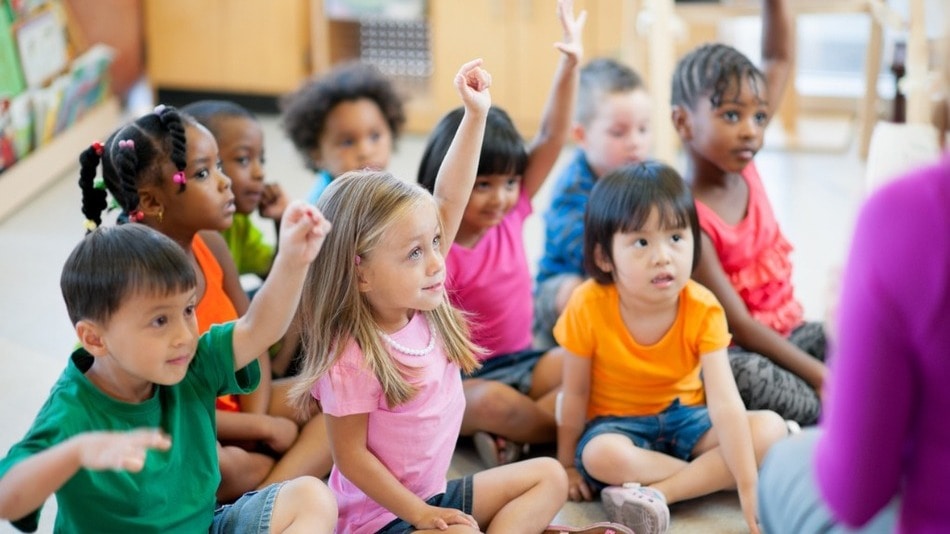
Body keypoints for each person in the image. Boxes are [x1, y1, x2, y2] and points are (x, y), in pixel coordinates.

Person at [287, 58, 628, 534]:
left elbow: (448, 198)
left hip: (434, 497)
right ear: (360, 274)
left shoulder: (419, 300)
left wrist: (475, 116)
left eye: (434, 244)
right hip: (381, 520)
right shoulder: (351, 355)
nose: (436, 262)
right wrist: (421, 515)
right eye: (414, 253)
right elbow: (351, 458)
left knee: (548, 474)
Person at [0, 208, 337, 532]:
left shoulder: (190, 363)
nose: (184, 335)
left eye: (188, 309)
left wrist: (292, 260)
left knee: (311, 497)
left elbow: (257, 328)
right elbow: (7, 498)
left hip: (205, 525)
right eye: (160, 320)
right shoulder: (71, 411)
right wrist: (74, 454)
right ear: (95, 339)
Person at [72, 105, 332, 502]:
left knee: (338, 402)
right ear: (152, 201)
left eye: (220, 168)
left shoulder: (208, 242)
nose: (225, 183)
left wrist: (257, 415)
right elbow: (170, 406)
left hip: (240, 405)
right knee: (219, 464)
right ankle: (266, 493)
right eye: (204, 173)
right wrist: (259, 431)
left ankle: (263, 496)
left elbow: (253, 332)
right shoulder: (136, 279)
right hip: (183, 423)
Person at [555, 162, 788, 534]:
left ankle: (661, 492)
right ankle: (708, 479)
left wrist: (748, 489)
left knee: (770, 429)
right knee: (599, 455)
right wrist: (566, 464)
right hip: (618, 426)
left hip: (688, 421)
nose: (663, 256)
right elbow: (576, 391)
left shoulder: (704, 306)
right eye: (641, 242)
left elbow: (725, 403)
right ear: (604, 258)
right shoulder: (587, 304)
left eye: (676, 238)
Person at [416, 0, 585, 469]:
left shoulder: (512, 213)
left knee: (583, 362)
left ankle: (511, 434)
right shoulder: (436, 235)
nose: (500, 198)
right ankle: (549, 427)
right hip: (463, 379)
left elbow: (551, 134)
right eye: (482, 184)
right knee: (492, 404)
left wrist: (570, 65)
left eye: (509, 183)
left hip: (523, 358)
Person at [757, 155, 950, 533]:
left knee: (782, 457)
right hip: (774, 347)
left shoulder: (910, 212)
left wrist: (845, 345)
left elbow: (854, 496)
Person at [669, 0, 826, 426]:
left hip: (789, 335)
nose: (752, 130)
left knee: (850, 335)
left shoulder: (741, 155)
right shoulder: (687, 219)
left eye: (759, 116)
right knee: (747, 378)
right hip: (738, 353)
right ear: (683, 123)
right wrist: (822, 377)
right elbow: (737, 323)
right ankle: (839, 408)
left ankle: (843, 402)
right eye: (732, 115)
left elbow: (777, 58)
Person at [534, 57, 652, 350]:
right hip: (575, 282)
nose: (635, 142)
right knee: (574, 291)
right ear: (581, 136)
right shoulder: (571, 189)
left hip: (626, 277)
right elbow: (589, 256)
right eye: (618, 132)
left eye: (643, 129)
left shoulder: (647, 176)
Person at [181, 100, 288, 282]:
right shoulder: (178, 234)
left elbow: (273, 277)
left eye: (261, 160)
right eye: (243, 160)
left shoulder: (238, 224)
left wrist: (282, 221)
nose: (260, 173)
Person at [280, 60, 405, 205]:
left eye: (375, 136)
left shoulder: (388, 192)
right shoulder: (321, 210)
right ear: (316, 153)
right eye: (348, 142)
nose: (365, 151)